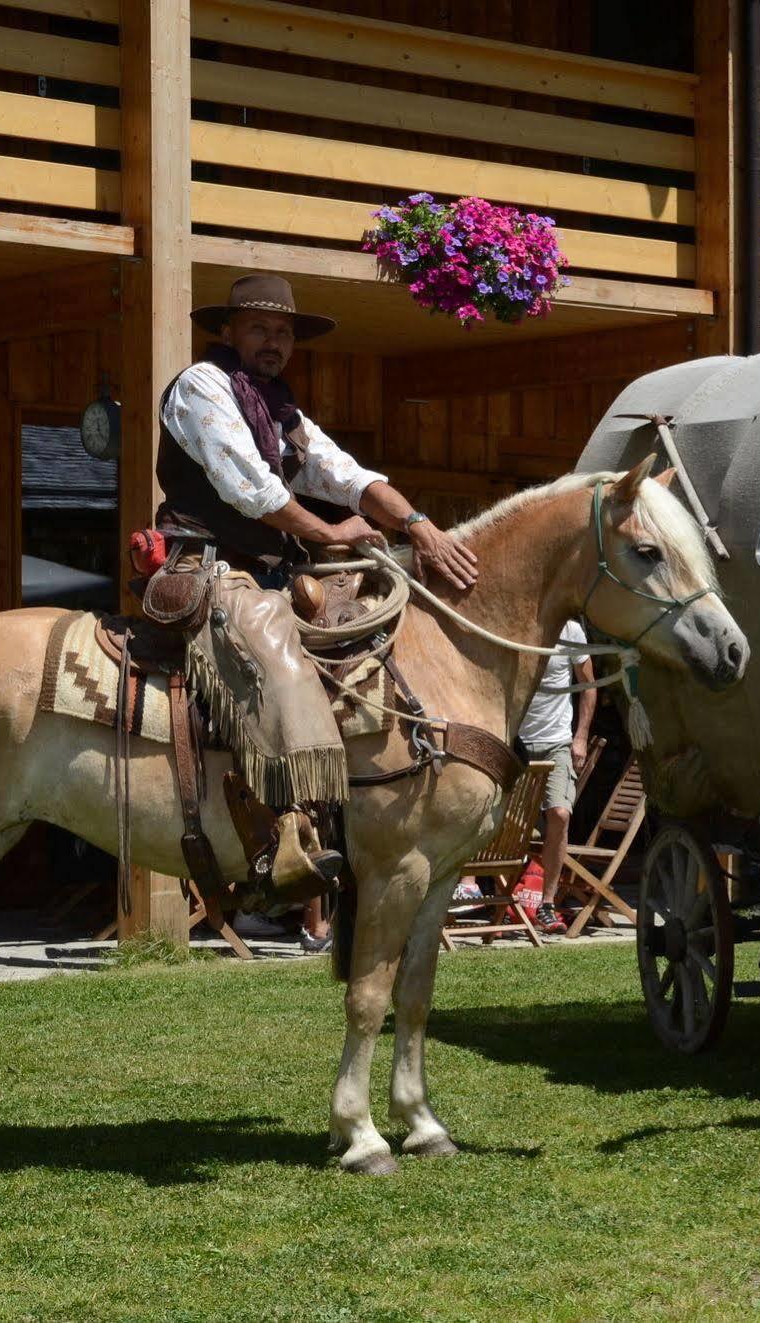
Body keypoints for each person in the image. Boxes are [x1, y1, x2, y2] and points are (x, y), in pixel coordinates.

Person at [158, 273, 479, 895]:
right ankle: (283, 833)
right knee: (282, 663)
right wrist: (334, 536)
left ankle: (364, 807)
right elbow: (253, 491)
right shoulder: (203, 386)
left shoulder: (280, 410)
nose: (273, 341)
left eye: (283, 332)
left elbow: (347, 476)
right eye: (259, 327)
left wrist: (422, 527)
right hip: (209, 565)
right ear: (227, 331)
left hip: (272, 569)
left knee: (369, 641)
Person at [513, 620, 596, 935]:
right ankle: (479, 889)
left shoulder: (571, 631)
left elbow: (588, 685)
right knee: (497, 820)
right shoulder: (516, 620)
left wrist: (581, 737)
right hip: (515, 742)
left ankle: (547, 904)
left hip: (556, 743)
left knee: (560, 814)